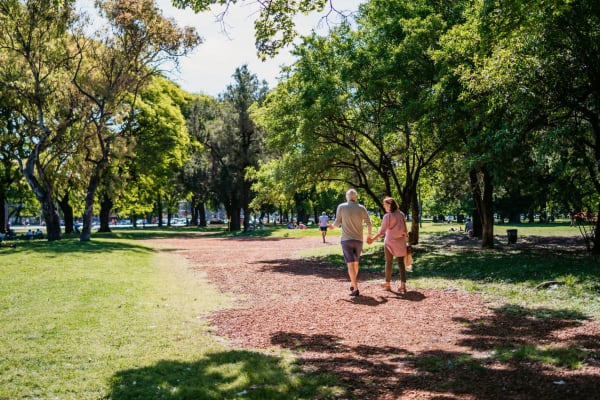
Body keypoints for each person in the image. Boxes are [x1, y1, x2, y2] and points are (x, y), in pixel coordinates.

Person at [329, 189, 373, 296]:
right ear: (356, 197)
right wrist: (369, 235)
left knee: (350, 264)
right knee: (356, 263)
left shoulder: (341, 207)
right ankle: (353, 283)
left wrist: (331, 227)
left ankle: (355, 288)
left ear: (347, 197)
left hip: (346, 240)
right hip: (358, 240)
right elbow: (369, 223)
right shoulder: (361, 208)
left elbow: (337, 222)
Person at [367, 196, 409, 293]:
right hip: (400, 242)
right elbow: (405, 230)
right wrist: (406, 238)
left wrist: (372, 239)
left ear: (390, 205)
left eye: (385, 205)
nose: (384, 206)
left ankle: (388, 284)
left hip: (389, 242)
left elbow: (381, 232)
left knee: (388, 262)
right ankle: (403, 285)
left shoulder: (388, 216)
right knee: (401, 263)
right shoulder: (401, 214)